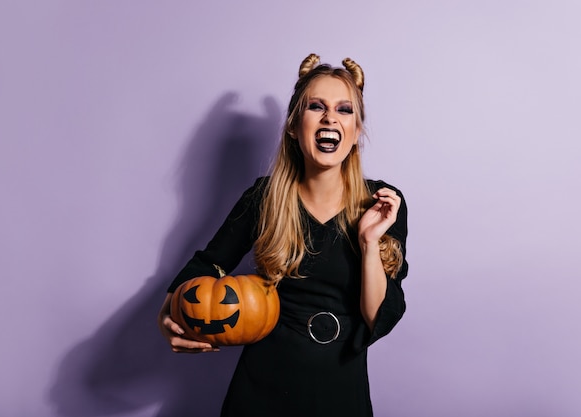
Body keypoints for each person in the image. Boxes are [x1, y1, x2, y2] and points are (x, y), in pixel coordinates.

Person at [157, 53, 408, 417]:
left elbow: (376, 317)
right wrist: (168, 314)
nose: (329, 118)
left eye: (344, 110)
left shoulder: (382, 204)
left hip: (340, 386)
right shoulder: (264, 197)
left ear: (356, 134)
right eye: (316, 106)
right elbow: (208, 265)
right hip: (262, 385)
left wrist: (370, 243)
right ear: (293, 126)